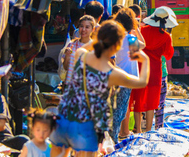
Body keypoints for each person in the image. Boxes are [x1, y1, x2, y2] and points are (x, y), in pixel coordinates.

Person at [50, 21, 149, 156]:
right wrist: (145, 59)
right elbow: (142, 82)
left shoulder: (82, 55)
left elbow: (87, 46)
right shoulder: (113, 73)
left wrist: (99, 38)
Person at [130, 6, 177, 133]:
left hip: (139, 68)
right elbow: (168, 55)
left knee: (138, 99)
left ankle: (138, 129)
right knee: (151, 102)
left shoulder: (141, 31)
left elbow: (134, 47)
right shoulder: (166, 37)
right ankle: (149, 130)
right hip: (155, 71)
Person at [111, 8, 146, 142]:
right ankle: (115, 136)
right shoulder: (131, 39)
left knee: (114, 107)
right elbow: (143, 44)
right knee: (122, 107)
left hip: (114, 76)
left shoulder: (114, 37)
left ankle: (114, 135)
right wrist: (136, 29)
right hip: (128, 78)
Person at [61, 15, 96, 85]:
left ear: (93, 29)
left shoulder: (95, 47)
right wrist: (67, 56)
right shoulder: (71, 45)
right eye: (81, 26)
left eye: (87, 27)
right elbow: (66, 67)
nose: (83, 29)